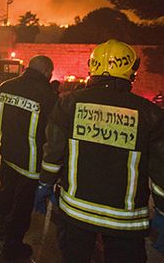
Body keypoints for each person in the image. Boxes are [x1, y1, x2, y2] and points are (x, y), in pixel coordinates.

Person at [35, 39, 164, 262]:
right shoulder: (150, 113)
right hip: (125, 221)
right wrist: (162, 210)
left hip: (76, 212)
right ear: (130, 71)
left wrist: (45, 183)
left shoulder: (68, 103)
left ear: (92, 67)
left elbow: (53, 152)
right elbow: (160, 171)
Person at [0, 55, 57, 261]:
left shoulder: (5, 87)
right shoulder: (48, 97)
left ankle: (0, 227)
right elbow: (53, 135)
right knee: (22, 206)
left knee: (5, 192)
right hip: (31, 164)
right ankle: (12, 247)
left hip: (8, 155)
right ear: (46, 72)